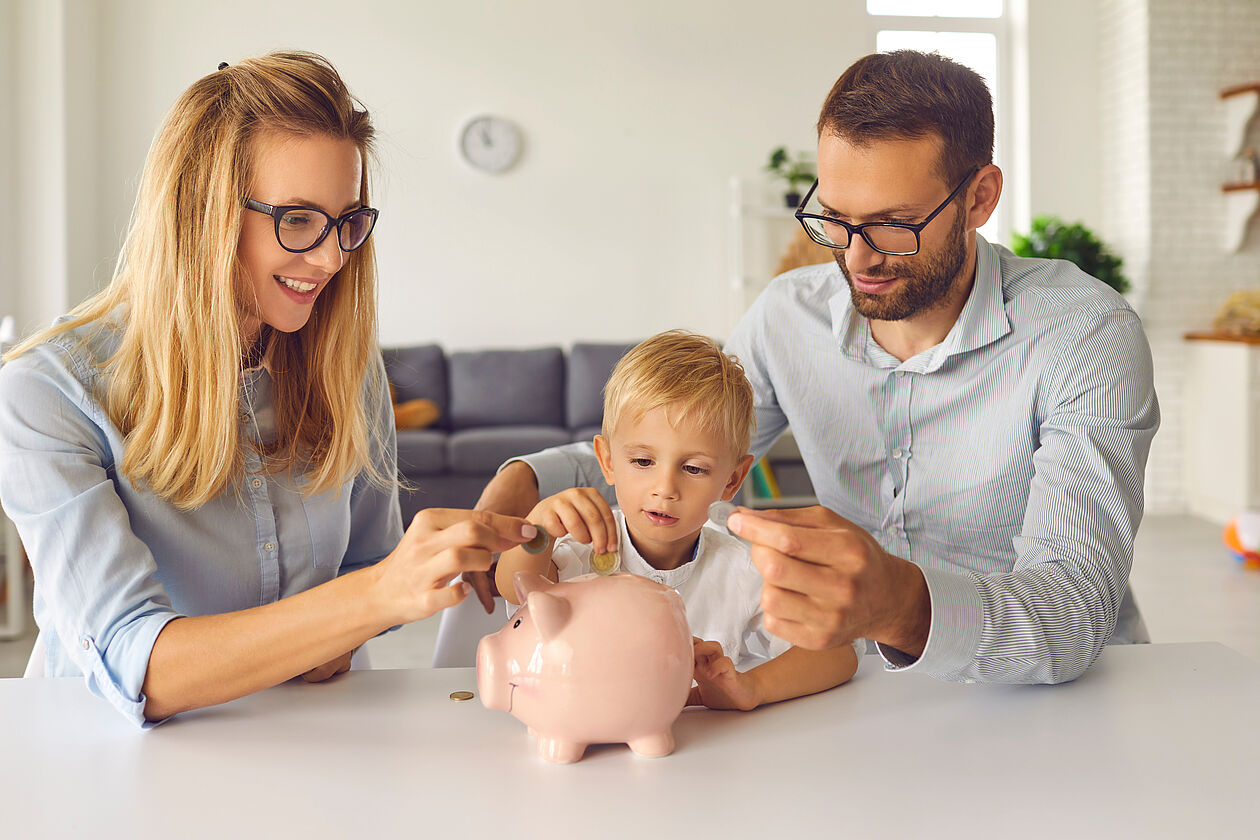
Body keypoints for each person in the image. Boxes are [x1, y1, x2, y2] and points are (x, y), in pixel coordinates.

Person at [473, 50, 1159, 685]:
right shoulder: (787, 316)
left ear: (980, 198)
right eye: (836, 219)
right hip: (860, 694)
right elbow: (676, 446)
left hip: (1057, 702)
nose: (855, 261)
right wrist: (528, 475)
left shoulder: (1084, 334)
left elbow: (1073, 608)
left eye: (893, 224)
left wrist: (904, 607)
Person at [0, 52, 535, 727]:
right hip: (117, 764)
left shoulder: (347, 365)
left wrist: (360, 619)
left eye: (347, 221)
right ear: (202, 213)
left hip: (313, 743)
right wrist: (372, 600)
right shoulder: (47, 392)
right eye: (298, 219)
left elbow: (365, 564)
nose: (332, 257)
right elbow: (136, 665)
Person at [493, 331, 857, 710]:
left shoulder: (742, 568)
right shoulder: (583, 547)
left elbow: (837, 653)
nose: (664, 488)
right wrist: (538, 532)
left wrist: (751, 688)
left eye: (694, 468)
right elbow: (513, 585)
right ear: (607, 461)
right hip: (587, 736)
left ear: (732, 479)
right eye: (643, 462)